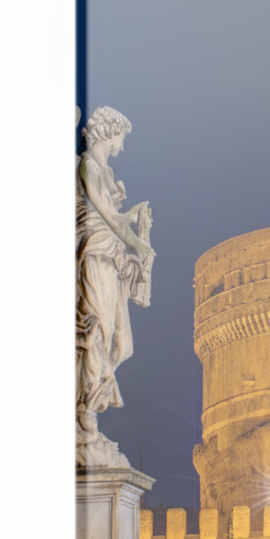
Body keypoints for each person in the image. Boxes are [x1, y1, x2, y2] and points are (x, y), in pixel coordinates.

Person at [76, 106, 153, 465]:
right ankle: (85, 421)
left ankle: (89, 412)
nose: (123, 145)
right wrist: (136, 243)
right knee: (98, 335)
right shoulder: (89, 165)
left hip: (111, 258)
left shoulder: (104, 171)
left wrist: (133, 217)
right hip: (94, 257)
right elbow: (104, 217)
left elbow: (113, 216)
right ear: (110, 132)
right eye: (122, 137)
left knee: (123, 345)